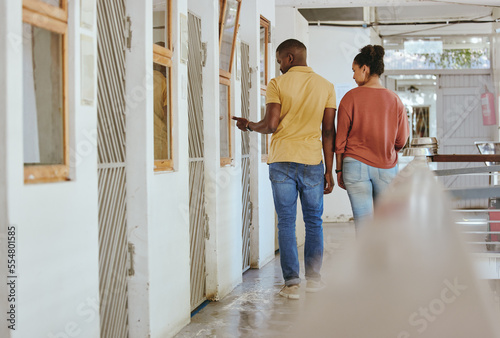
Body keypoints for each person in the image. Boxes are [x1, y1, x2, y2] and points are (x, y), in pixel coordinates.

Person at [233, 39, 336, 300]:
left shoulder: (277, 84)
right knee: (314, 222)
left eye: (279, 60)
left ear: (289, 58)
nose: (279, 66)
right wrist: (329, 170)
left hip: (282, 162)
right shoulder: (326, 86)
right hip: (313, 161)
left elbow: (270, 125)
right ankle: (314, 280)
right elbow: (327, 131)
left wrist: (248, 125)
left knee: (287, 223)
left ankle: (292, 284)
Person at [335, 45, 409, 228]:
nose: (353, 76)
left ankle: (365, 257)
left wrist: (338, 170)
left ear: (365, 69)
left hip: (354, 165)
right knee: (385, 224)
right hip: (386, 166)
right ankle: (384, 257)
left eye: (354, 70)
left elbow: (340, 141)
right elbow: (401, 141)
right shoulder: (395, 100)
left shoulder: (349, 98)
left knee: (364, 225)